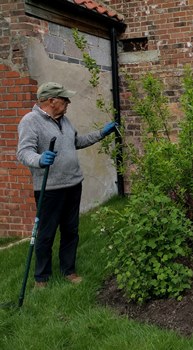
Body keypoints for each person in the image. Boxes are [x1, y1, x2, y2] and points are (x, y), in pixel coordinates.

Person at [17, 82, 118, 288]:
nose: (68, 102)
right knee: (46, 233)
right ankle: (42, 278)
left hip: (73, 184)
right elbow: (24, 151)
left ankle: (68, 270)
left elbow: (76, 142)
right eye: (64, 99)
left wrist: (101, 133)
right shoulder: (31, 121)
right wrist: (38, 159)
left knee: (71, 230)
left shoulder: (65, 121)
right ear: (51, 101)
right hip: (50, 188)